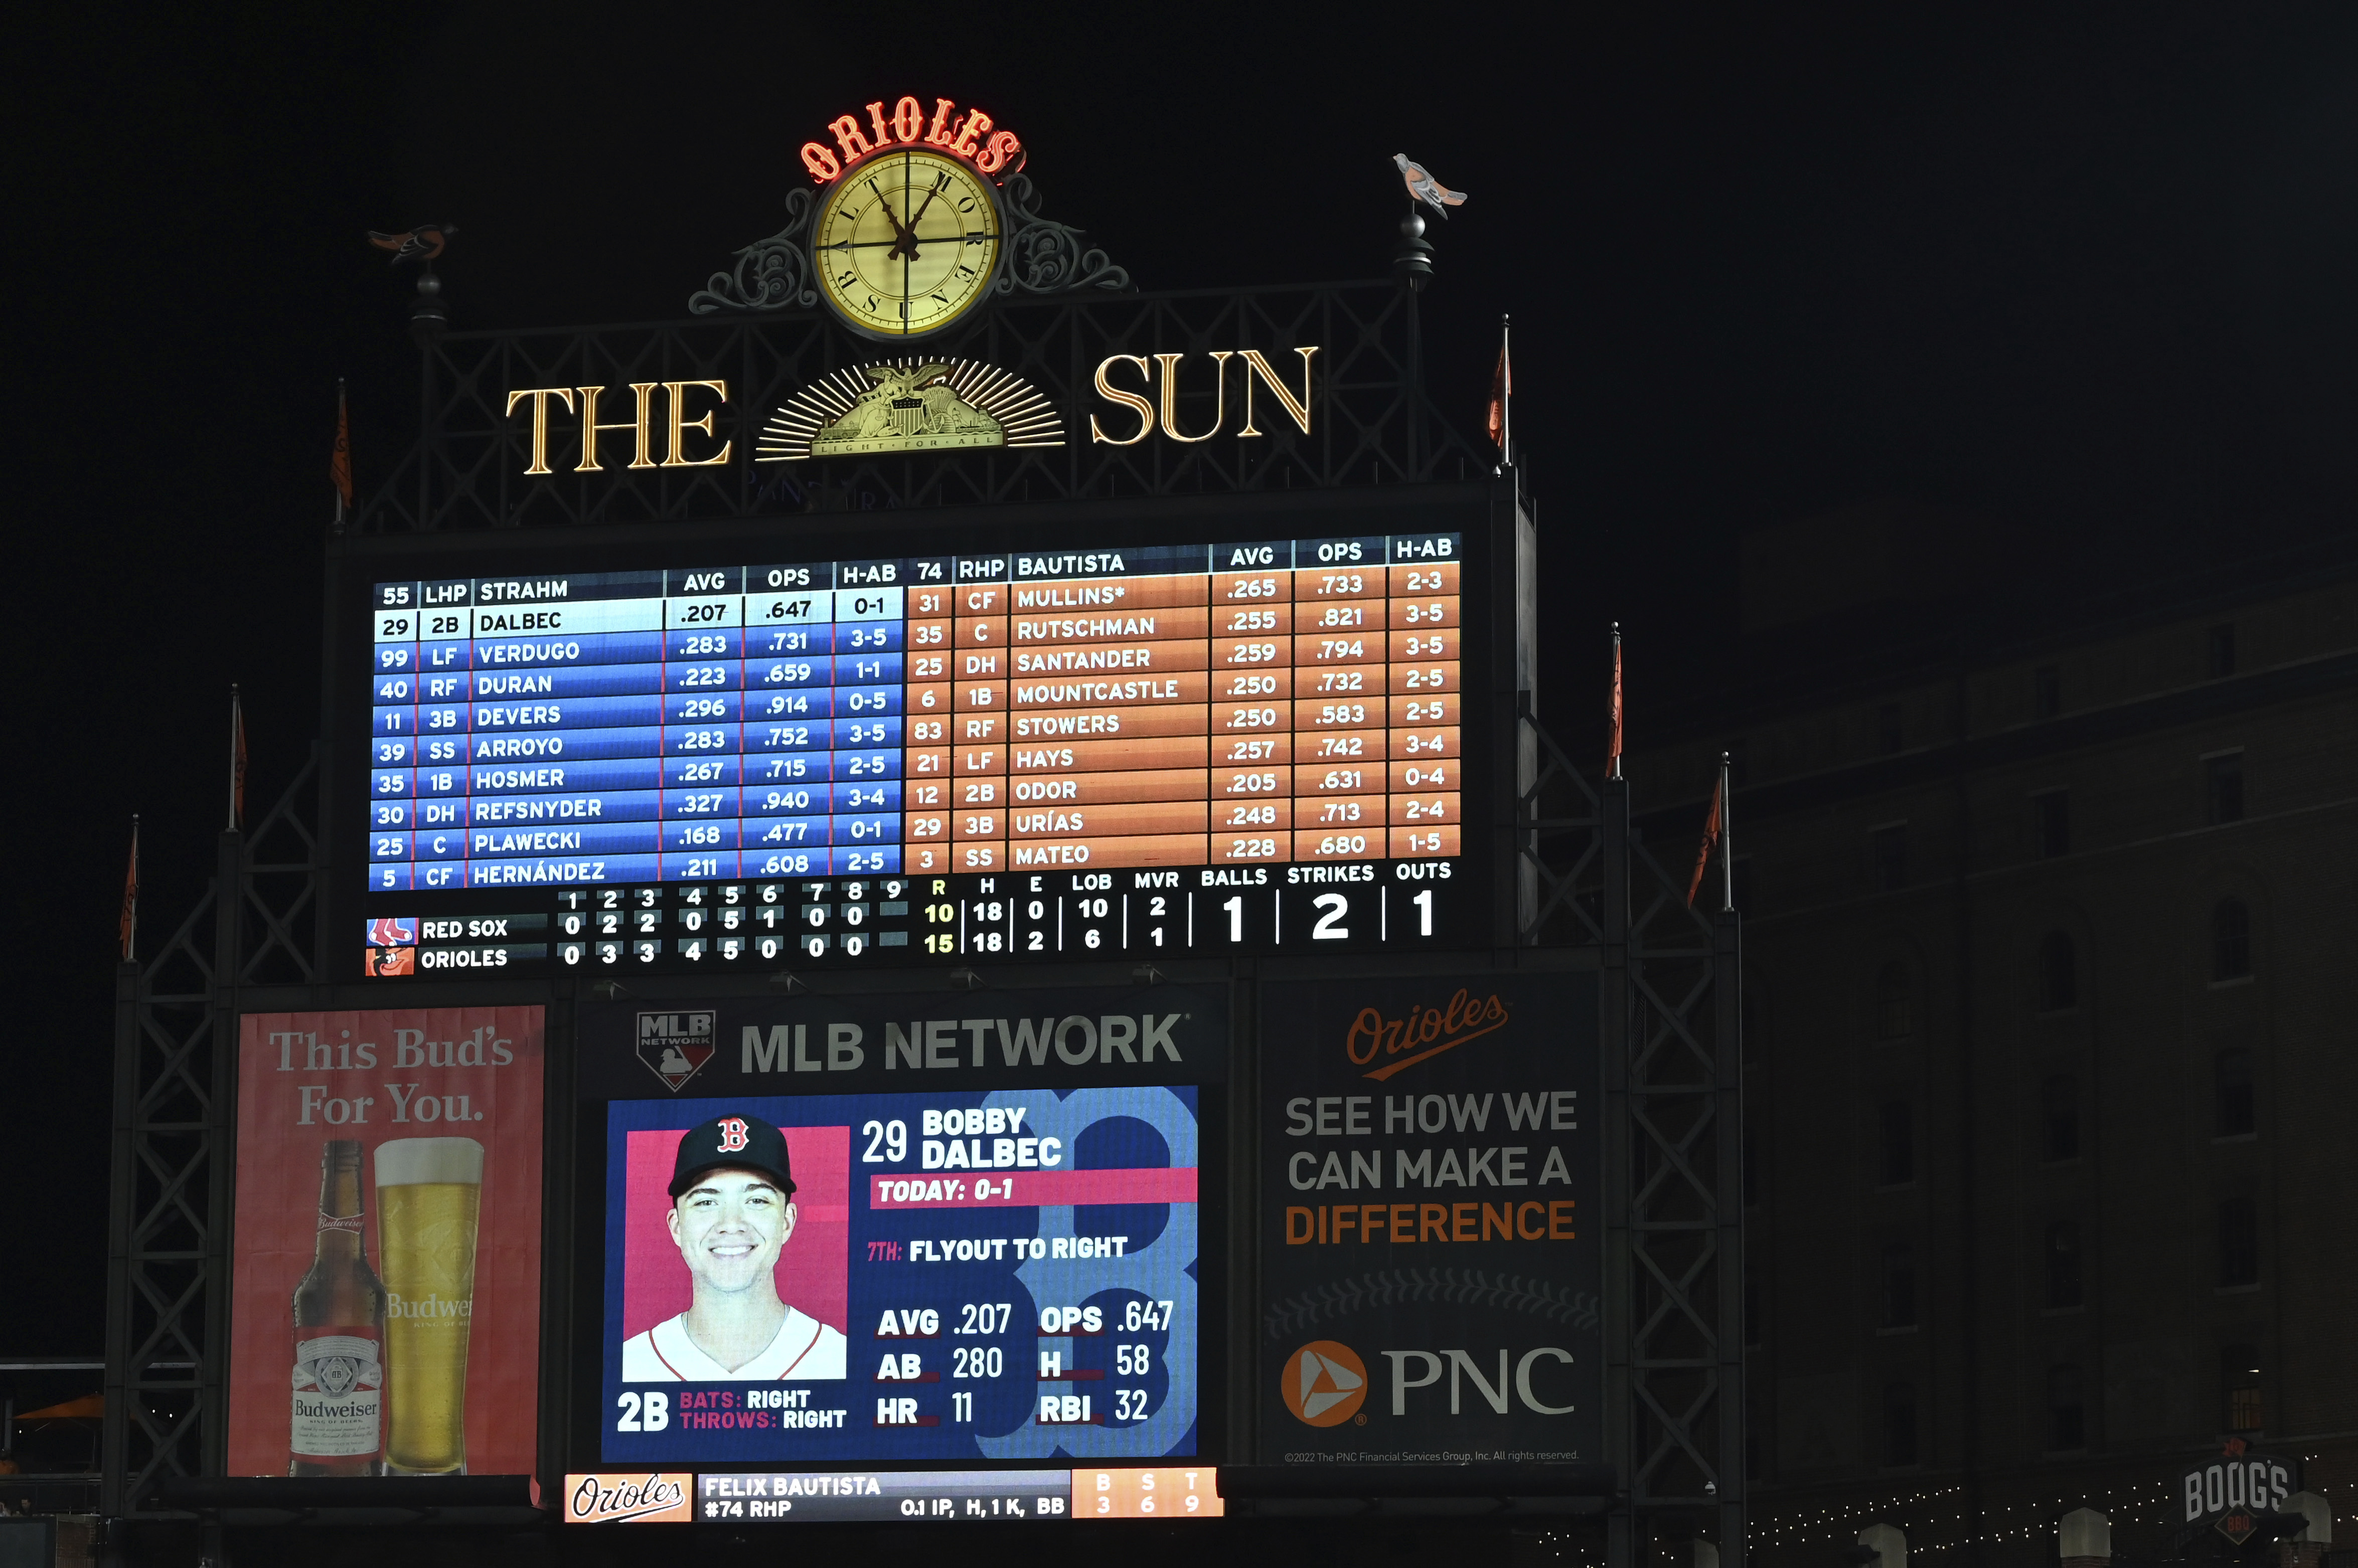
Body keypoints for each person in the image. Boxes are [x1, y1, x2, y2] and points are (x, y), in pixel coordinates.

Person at [620, 1114, 845, 1380]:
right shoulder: (630, 1365)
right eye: (706, 1202)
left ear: (786, 1222)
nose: (731, 1224)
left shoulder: (840, 1358)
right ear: (676, 1227)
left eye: (757, 1200)